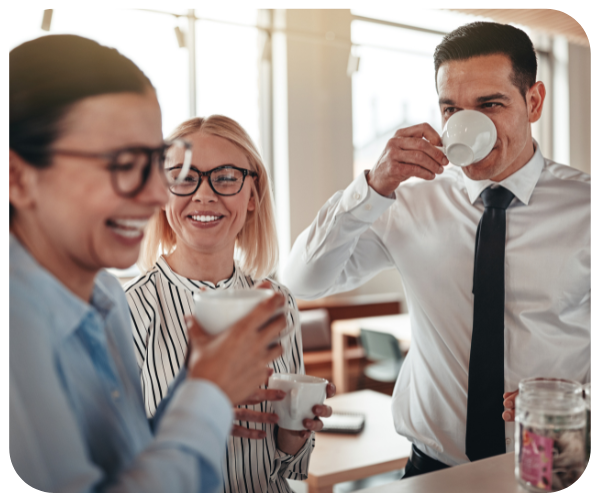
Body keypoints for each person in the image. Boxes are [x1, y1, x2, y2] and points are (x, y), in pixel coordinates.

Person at [282, 21, 590, 477]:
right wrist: (370, 187)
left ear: (534, 101)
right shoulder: (406, 198)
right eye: (452, 109)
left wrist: (577, 400)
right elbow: (302, 279)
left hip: (554, 463)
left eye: (490, 104)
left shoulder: (589, 207)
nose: (468, 124)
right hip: (431, 471)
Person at [9, 34, 287, 492]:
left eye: (154, 162)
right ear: (18, 178)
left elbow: (130, 463)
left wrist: (194, 384)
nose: (159, 194)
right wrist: (208, 394)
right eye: (123, 163)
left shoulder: (106, 300)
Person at [124, 115, 335, 493]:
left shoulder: (279, 302)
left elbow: (289, 465)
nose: (204, 195)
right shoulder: (128, 310)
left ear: (252, 196)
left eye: (224, 177)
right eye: (185, 177)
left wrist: (296, 428)